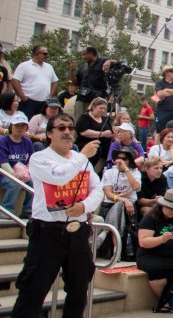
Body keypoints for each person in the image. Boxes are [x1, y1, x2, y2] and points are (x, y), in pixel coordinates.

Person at [13, 113, 103, 317]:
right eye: (61, 128)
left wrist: (84, 206)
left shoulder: (81, 160)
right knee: (33, 290)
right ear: (49, 133)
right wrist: (82, 156)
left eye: (71, 128)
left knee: (79, 289)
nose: (67, 132)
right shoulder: (39, 158)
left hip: (78, 231)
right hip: (47, 233)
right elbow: (58, 177)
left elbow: (97, 189)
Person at [0, 112, 33, 218]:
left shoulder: (27, 142)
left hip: (23, 173)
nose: (19, 128)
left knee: (34, 182)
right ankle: (7, 211)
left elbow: (31, 161)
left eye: (22, 126)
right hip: (4, 174)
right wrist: (14, 175)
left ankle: (27, 211)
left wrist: (28, 173)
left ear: (26, 128)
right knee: (15, 183)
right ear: (11, 126)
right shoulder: (2, 141)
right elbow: (3, 162)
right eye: (17, 125)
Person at [11, 46, 59, 119]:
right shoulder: (24, 65)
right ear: (36, 54)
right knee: (26, 121)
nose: (47, 56)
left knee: (41, 122)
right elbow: (15, 81)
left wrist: (50, 96)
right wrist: (22, 96)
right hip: (28, 102)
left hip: (44, 102)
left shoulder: (49, 67)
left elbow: (55, 82)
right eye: (45, 54)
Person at [69, 47, 115, 116]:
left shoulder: (102, 62)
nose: (83, 57)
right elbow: (75, 83)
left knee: (98, 119)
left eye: (84, 54)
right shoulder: (83, 67)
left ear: (91, 53)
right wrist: (72, 70)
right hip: (82, 98)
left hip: (97, 98)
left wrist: (109, 61)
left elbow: (117, 63)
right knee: (80, 119)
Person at [75, 98, 113, 173]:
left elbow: (111, 131)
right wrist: (102, 134)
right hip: (87, 144)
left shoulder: (105, 119)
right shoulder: (85, 117)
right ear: (93, 107)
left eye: (104, 109)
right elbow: (83, 132)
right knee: (97, 149)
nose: (102, 110)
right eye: (100, 108)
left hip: (104, 148)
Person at [153, 65, 173, 133]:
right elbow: (160, 94)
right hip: (163, 111)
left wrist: (166, 90)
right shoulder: (159, 83)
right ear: (166, 73)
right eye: (172, 71)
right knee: (160, 131)